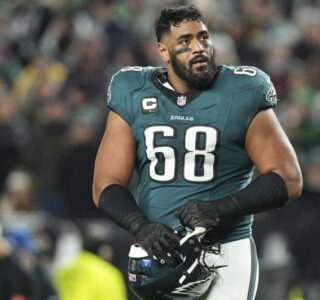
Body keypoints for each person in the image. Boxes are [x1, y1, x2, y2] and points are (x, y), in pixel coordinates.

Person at [92, 4, 303, 299]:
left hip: (225, 252)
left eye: (203, 37)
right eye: (185, 41)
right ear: (163, 52)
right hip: (160, 253)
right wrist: (140, 226)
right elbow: (106, 183)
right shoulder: (133, 89)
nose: (199, 48)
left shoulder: (242, 89)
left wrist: (220, 209)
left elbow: (288, 179)